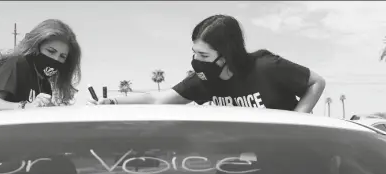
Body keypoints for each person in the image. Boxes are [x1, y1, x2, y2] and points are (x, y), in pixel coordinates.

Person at [88, 15, 325, 113]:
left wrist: (298, 119)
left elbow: (317, 81)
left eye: (204, 56)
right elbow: (157, 98)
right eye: (194, 53)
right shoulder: (205, 80)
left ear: (226, 54)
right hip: (241, 162)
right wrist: (112, 101)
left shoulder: (266, 67)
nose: (196, 62)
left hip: (286, 159)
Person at [0, 19, 81, 113]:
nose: (56, 59)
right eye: (51, 51)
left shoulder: (44, 83)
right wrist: (25, 107)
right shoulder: (15, 64)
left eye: (62, 56)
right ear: (37, 45)